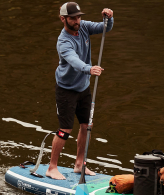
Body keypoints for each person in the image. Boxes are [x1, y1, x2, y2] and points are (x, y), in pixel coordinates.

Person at [46, 2, 114, 180]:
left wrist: (109, 18)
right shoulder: (64, 42)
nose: (77, 20)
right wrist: (89, 69)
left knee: (86, 125)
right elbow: (74, 61)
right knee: (65, 129)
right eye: (72, 18)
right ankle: (52, 167)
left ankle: (79, 164)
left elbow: (104, 28)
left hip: (83, 87)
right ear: (63, 19)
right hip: (66, 90)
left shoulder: (83, 27)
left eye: (78, 17)